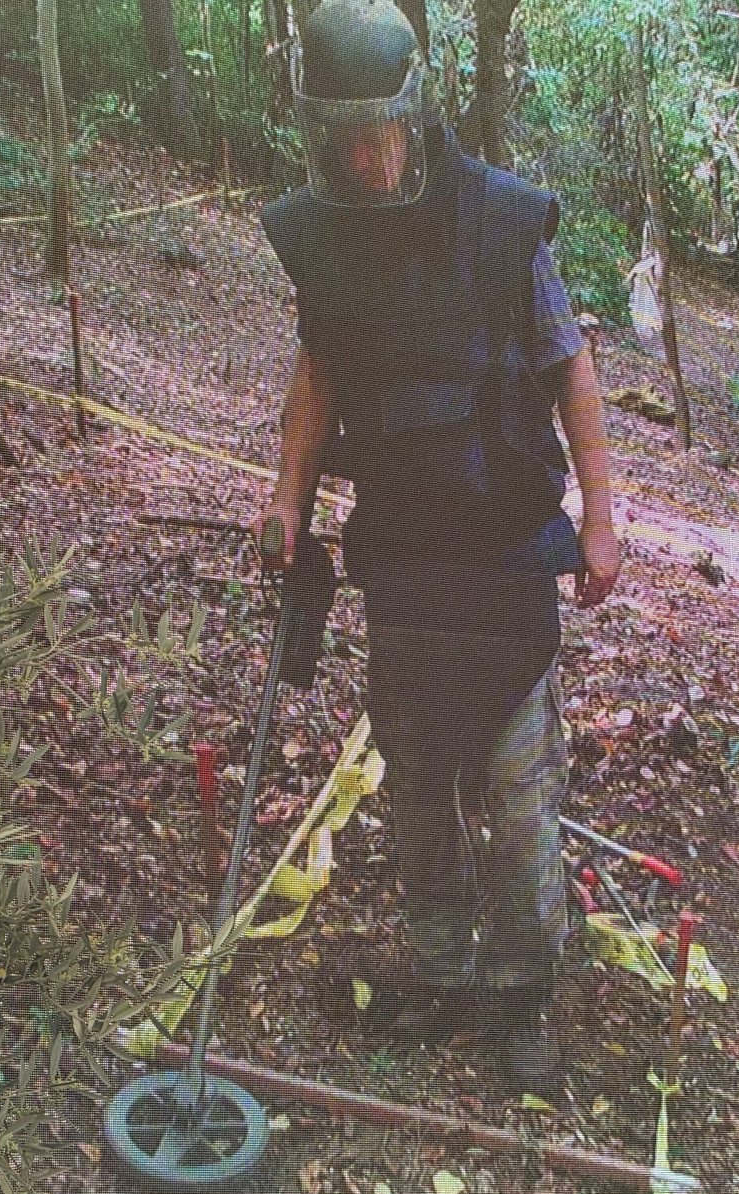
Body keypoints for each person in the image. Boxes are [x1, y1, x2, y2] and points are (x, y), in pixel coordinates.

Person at [256, 0, 620, 1095]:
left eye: (383, 132)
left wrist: (601, 517)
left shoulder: (501, 223)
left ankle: (519, 996)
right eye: (344, 138)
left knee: (514, 794)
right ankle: (437, 966)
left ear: (417, 115)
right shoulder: (323, 235)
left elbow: (572, 367)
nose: (366, 160)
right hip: (402, 552)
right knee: (417, 785)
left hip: (505, 552)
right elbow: (318, 376)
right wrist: (287, 498)